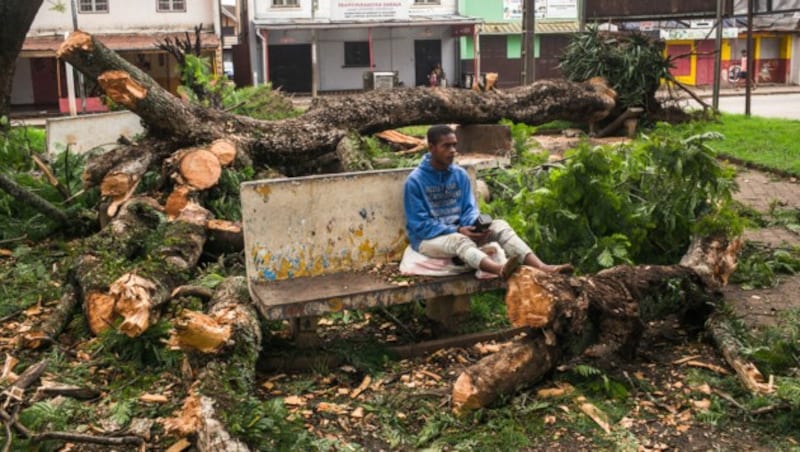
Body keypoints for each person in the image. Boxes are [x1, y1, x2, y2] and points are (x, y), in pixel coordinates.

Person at [403, 125, 573, 278]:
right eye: (446, 146)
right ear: (431, 148)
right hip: (427, 240)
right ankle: (500, 270)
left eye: (454, 144)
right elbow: (420, 225)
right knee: (459, 241)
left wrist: (475, 226)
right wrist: (457, 230)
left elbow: (469, 209)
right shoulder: (415, 181)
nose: (453, 150)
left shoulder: (460, 175)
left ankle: (543, 268)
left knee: (500, 226)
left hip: (461, 232)